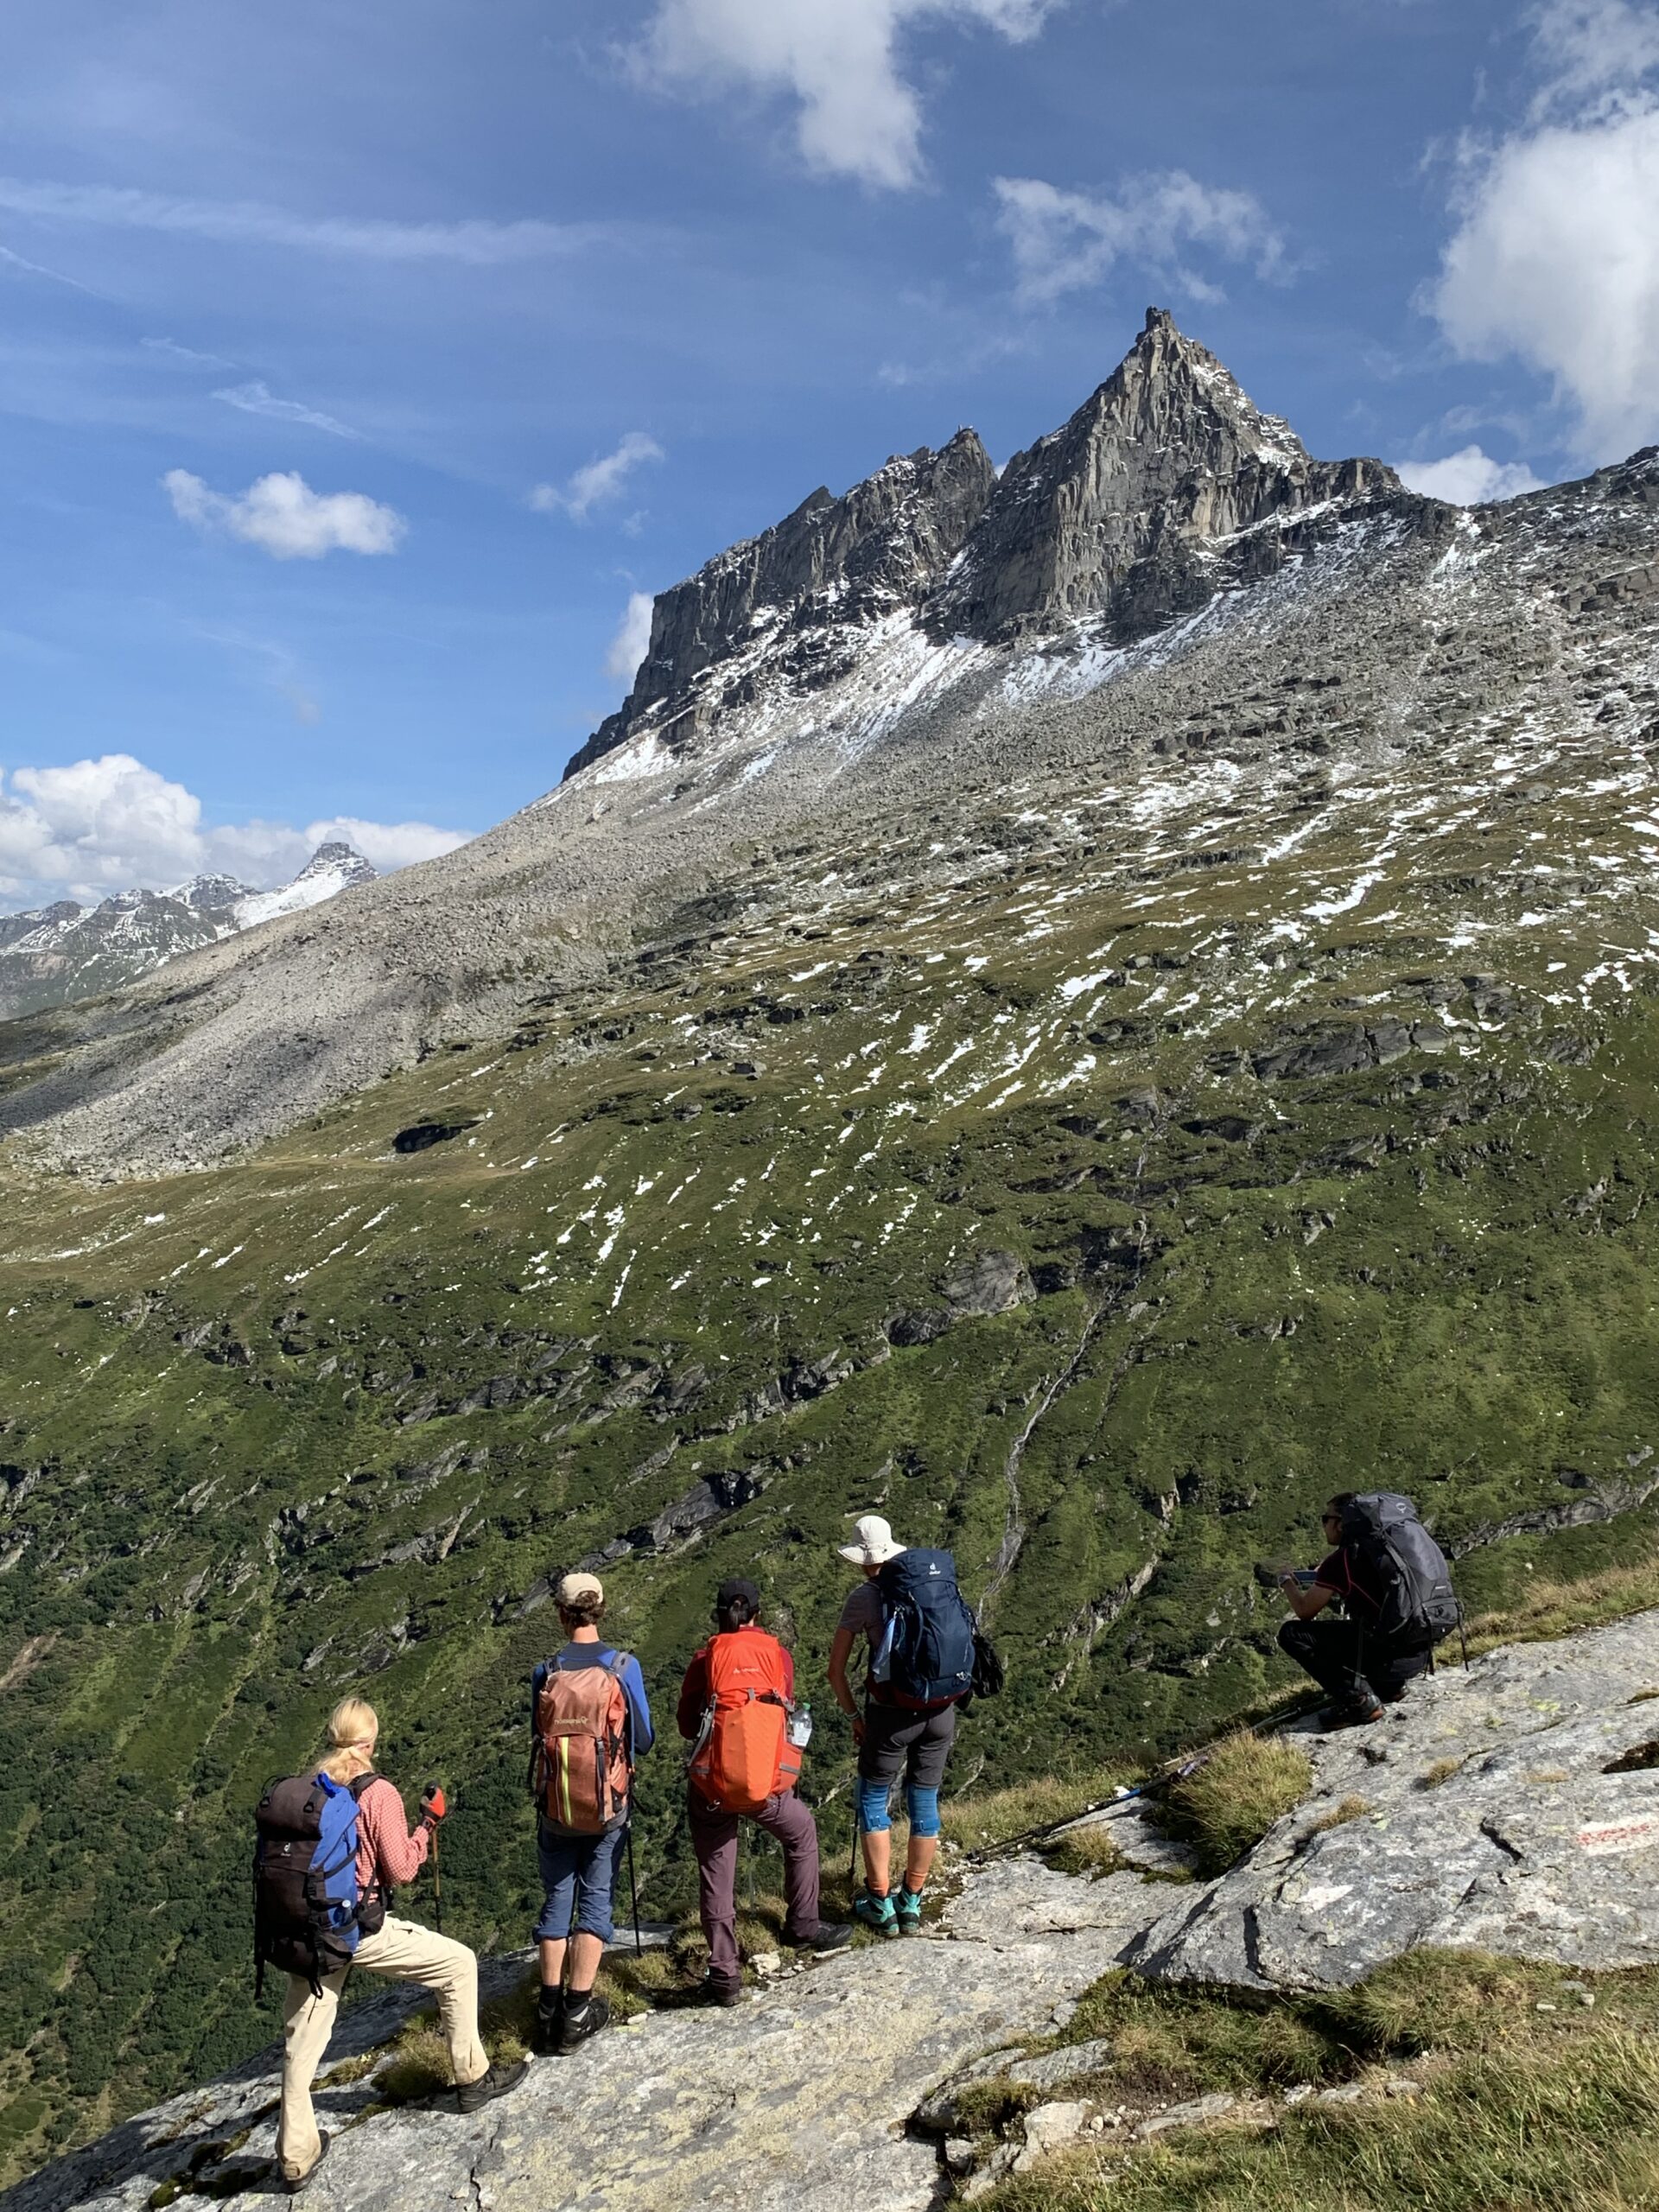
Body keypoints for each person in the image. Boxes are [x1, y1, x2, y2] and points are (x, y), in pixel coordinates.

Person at [276, 1699, 525, 2193]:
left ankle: (295, 2157)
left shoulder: (311, 1789)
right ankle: (472, 2079)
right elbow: (403, 1869)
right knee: (459, 1964)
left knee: (301, 2041)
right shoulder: (379, 1793)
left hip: (308, 1931)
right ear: (369, 1742)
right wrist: (427, 1825)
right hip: (359, 1929)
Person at [677, 1576, 852, 2005]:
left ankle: (724, 1975)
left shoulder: (706, 1659)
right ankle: (804, 1927)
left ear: (720, 1614)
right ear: (757, 1613)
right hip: (766, 1785)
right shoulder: (778, 1656)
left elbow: (686, 1725)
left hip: (713, 1787)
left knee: (717, 1871)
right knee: (801, 1832)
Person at [529, 1570, 653, 2055]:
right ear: (600, 1609)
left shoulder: (546, 1671)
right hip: (606, 1809)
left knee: (557, 1898)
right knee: (596, 1897)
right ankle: (576, 2014)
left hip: (556, 1808)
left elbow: (538, 1737)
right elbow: (644, 1739)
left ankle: (547, 2011)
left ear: (562, 1613)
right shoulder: (623, 1667)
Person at [828, 1513, 964, 1938]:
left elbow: (835, 1671)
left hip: (890, 1716)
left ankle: (880, 1902)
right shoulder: (930, 1586)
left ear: (861, 1559)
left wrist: (855, 1718)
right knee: (924, 1800)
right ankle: (911, 1901)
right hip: (940, 1711)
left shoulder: (864, 1598)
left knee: (872, 1798)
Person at [1276, 1494, 1440, 1728]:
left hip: (1389, 1660)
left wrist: (1285, 1581)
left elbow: (1304, 1611)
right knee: (1372, 1627)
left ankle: (1361, 1702)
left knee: (1292, 1634)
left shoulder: (1341, 1561)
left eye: (1325, 1519)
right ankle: (1391, 1687)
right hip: (1419, 1653)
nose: (1324, 1525)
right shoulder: (1384, 1549)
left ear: (1341, 1524)